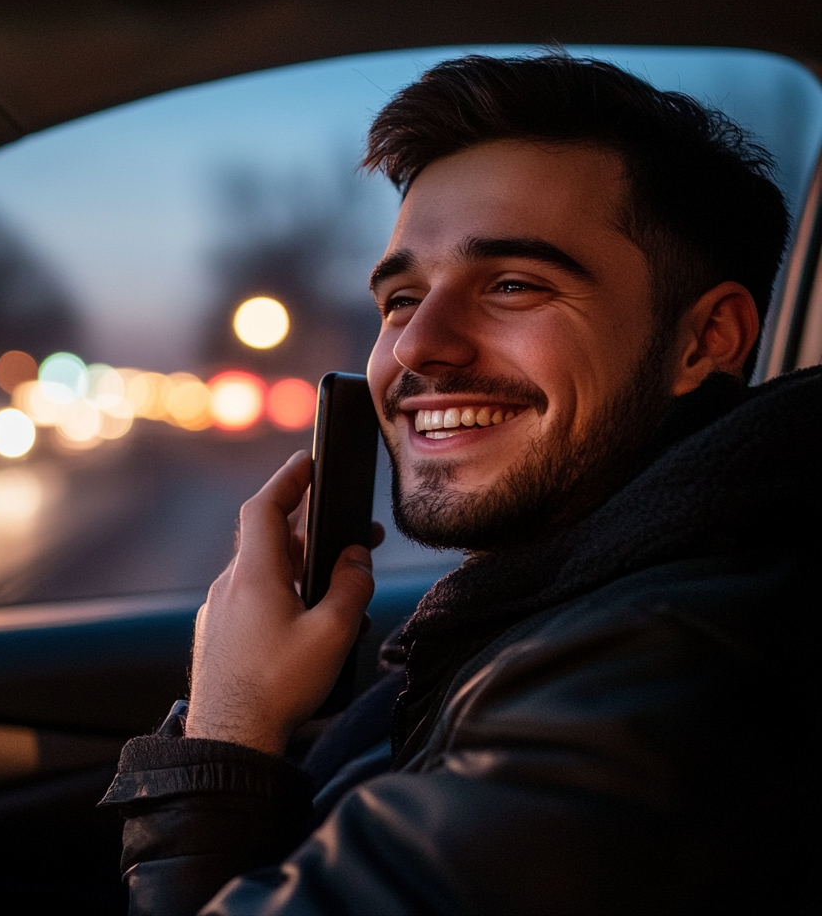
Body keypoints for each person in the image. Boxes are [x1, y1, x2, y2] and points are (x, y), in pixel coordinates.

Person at [100, 54, 819, 915]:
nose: (416, 346)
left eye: (513, 285)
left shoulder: (666, 699)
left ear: (706, 340)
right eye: (401, 298)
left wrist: (229, 728)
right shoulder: (554, 622)